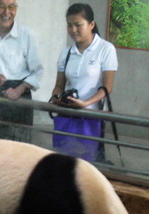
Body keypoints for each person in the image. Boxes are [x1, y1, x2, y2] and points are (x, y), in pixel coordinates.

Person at [50, 3, 118, 161]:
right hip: (67, 115)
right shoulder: (66, 52)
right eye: (69, 25)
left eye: (78, 25)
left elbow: (108, 87)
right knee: (62, 161)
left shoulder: (105, 49)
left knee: (85, 164)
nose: (73, 30)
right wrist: (56, 97)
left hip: (91, 117)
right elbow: (59, 85)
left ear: (91, 24)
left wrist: (85, 103)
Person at [0, 0, 43, 142]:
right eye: (0, 7)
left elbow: (37, 71)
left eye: (11, 7)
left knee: (17, 149)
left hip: (19, 95)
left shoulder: (26, 34)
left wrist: (19, 90)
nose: (6, 12)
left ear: (16, 9)